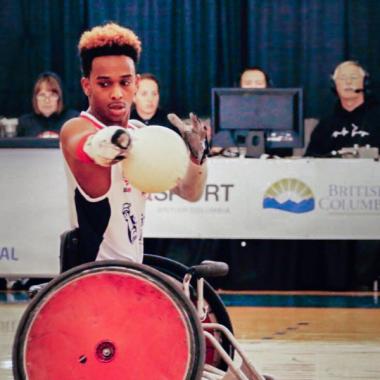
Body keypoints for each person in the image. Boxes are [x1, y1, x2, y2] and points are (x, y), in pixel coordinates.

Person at [60, 22, 208, 266]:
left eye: (125, 82)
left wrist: (196, 157)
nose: (117, 93)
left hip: (132, 273)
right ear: (87, 85)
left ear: (136, 84)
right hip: (91, 279)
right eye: (105, 84)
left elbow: (189, 193)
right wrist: (116, 142)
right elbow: (89, 146)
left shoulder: (140, 132)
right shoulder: (77, 127)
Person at [305, 60, 380, 157]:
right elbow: (310, 161)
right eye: (342, 78)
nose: (348, 82)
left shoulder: (377, 118)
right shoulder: (325, 126)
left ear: (365, 82)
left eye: (353, 77)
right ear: (334, 85)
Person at [18, 71, 79, 138]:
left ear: (59, 98)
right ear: (35, 98)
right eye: (42, 95)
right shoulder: (25, 123)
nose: (47, 100)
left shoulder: (73, 120)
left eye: (52, 95)